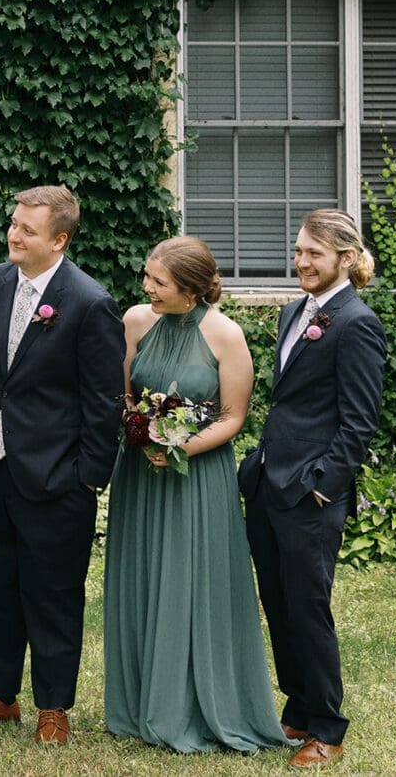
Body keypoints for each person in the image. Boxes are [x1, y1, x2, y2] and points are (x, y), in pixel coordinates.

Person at [0, 183, 127, 745]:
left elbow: (102, 401)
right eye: (14, 223)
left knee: (53, 591)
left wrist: (89, 478)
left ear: (60, 239)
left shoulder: (90, 302)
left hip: (57, 475)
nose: (13, 234)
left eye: (27, 228)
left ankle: (53, 705)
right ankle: (0, 694)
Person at [105, 235, 288, 754]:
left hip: (195, 477)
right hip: (140, 475)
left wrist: (180, 444)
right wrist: (140, 431)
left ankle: (193, 703)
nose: (147, 288)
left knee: (191, 582)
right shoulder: (137, 321)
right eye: (147, 277)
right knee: (144, 577)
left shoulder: (225, 335)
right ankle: (140, 701)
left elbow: (234, 415)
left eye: (158, 282)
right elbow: (126, 396)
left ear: (190, 289)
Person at [240, 208, 388, 769]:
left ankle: (328, 728)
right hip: (269, 482)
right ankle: (298, 708)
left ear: (345, 260)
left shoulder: (356, 323)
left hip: (310, 493)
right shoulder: (292, 313)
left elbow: (358, 421)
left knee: (308, 607)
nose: (300, 261)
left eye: (313, 254)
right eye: (298, 250)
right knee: (277, 603)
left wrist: (324, 486)